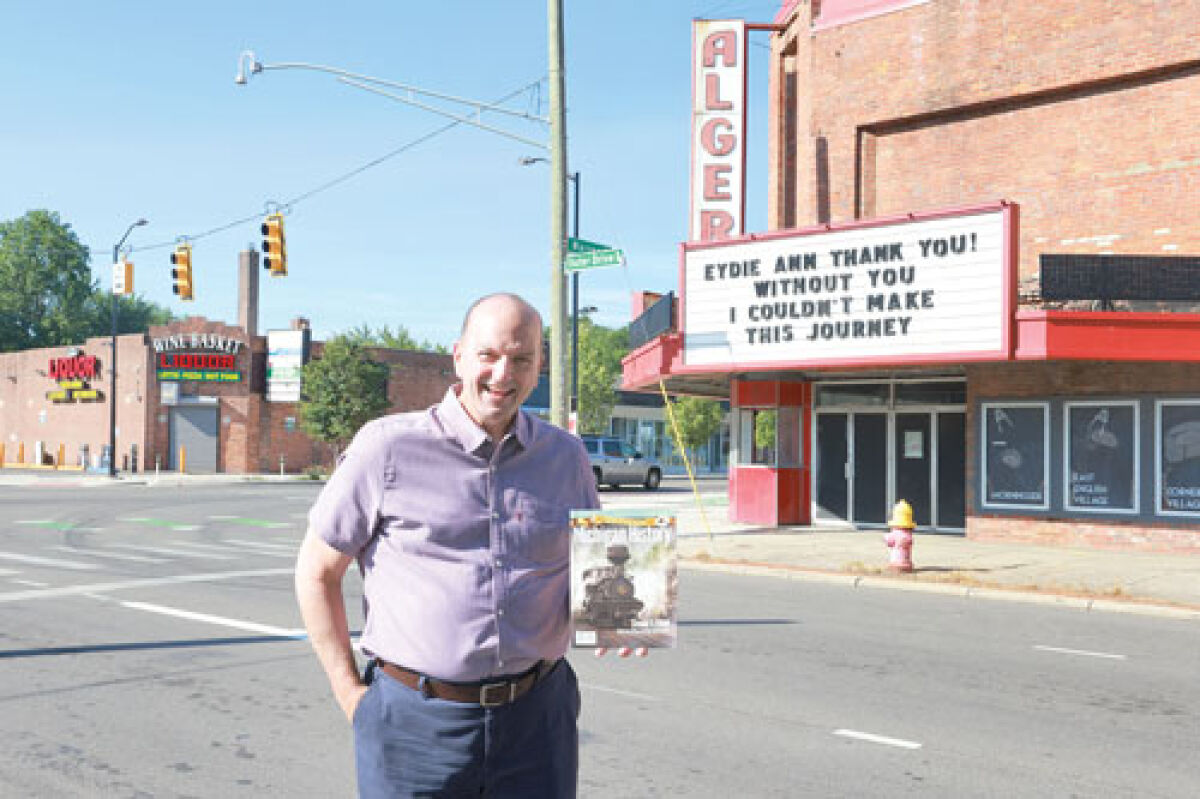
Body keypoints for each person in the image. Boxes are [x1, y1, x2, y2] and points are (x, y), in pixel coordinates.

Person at [296, 293, 624, 798]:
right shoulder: (386, 448)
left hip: (537, 722)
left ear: (539, 367)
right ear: (458, 357)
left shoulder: (566, 456)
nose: (503, 373)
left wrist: (617, 613)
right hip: (414, 725)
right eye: (488, 355)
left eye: (521, 359)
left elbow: (593, 563)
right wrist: (349, 693)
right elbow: (317, 571)